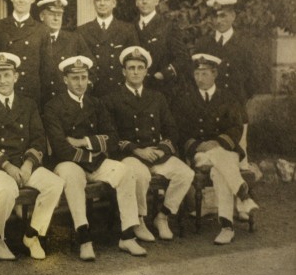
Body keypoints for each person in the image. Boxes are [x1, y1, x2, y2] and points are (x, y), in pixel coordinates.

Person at [43, 56, 148, 259]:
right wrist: (93, 154)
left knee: (125, 171)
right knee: (72, 177)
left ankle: (127, 236)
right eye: (75, 78)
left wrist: (84, 141)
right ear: (65, 79)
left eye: (83, 77)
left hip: (92, 159)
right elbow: (61, 148)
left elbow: (113, 138)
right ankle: (85, 238)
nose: (80, 83)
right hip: (67, 163)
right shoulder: (53, 106)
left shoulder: (96, 103)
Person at [0, 53, 64, 260]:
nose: (3, 81)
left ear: (16, 76)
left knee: (55, 184)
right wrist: (7, 166)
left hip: (24, 163)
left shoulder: (28, 104)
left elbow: (38, 138)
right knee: (6, 188)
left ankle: (32, 234)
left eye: (7, 75)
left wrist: (29, 164)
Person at [102, 46, 194, 242]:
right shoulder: (112, 99)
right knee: (140, 174)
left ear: (146, 71)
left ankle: (162, 216)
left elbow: (172, 130)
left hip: (155, 153)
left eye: (140, 67)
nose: (136, 72)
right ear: (123, 71)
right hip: (129, 155)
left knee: (186, 173)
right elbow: (111, 135)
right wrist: (137, 150)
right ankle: (139, 219)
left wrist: (161, 150)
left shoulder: (157, 98)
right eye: (131, 67)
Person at [172, 54, 259, 244]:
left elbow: (236, 128)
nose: (199, 78)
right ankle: (242, 198)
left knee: (220, 172)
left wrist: (218, 142)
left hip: (225, 150)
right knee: (222, 161)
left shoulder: (227, 97)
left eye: (204, 73)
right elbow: (180, 130)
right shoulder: (186, 98)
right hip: (200, 154)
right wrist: (199, 145)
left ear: (215, 74)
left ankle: (227, 226)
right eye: (196, 73)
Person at [195, 0, 259, 166]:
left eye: (223, 16)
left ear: (233, 16)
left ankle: (241, 190)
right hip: (209, 111)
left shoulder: (245, 44)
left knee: (239, 157)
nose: (219, 21)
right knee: (209, 158)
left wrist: (241, 100)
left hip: (235, 111)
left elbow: (254, 79)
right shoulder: (204, 44)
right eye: (215, 17)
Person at [0, 0, 53, 106]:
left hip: (31, 96)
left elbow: (46, 71)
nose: (21, 0)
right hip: (2, 94)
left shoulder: (42, 30)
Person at [77, 0, 139, 97]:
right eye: (98, 0)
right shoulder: (82, 31)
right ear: (94, 4)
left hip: (119, 91)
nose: (102, 3)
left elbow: (134, 63)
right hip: (93, 92)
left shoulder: (127, 29)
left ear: (114, 3)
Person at [131, 0, 189, 101]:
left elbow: (182, 58)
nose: (144, 1)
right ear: (136, 2)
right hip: (136, 88)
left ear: (157, 1)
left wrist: (163, 74)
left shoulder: (168, 26)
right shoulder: (130, 27)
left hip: (162, 89)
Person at [36, 0, 95, 105]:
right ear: (42, 16)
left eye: (59, 15)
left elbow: (91, 68)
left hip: (67, 101)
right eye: (51, 14)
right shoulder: (35, 39)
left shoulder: (74, 39)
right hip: (41, 100)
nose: (56, 18)